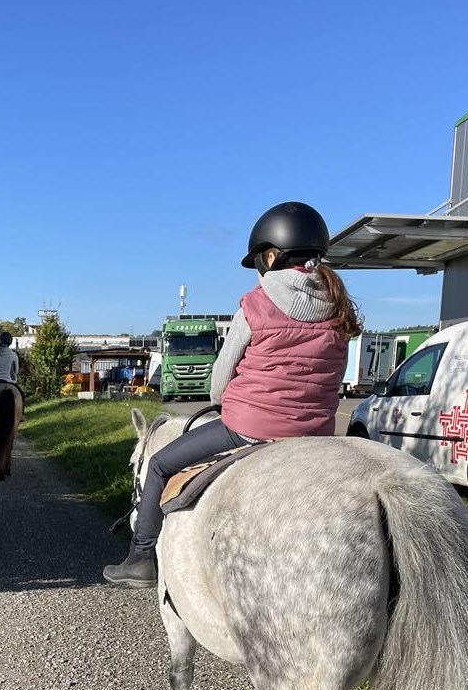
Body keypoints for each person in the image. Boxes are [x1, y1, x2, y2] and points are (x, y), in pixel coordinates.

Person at [103, 201, 362, 587]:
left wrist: (231, 400)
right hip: (315, 434)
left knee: (157, 463)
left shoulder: (255, 304)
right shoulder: (338, 310)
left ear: (272, 255)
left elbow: (219, 383)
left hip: (249, 427)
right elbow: (333, 380)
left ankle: (141, 558)